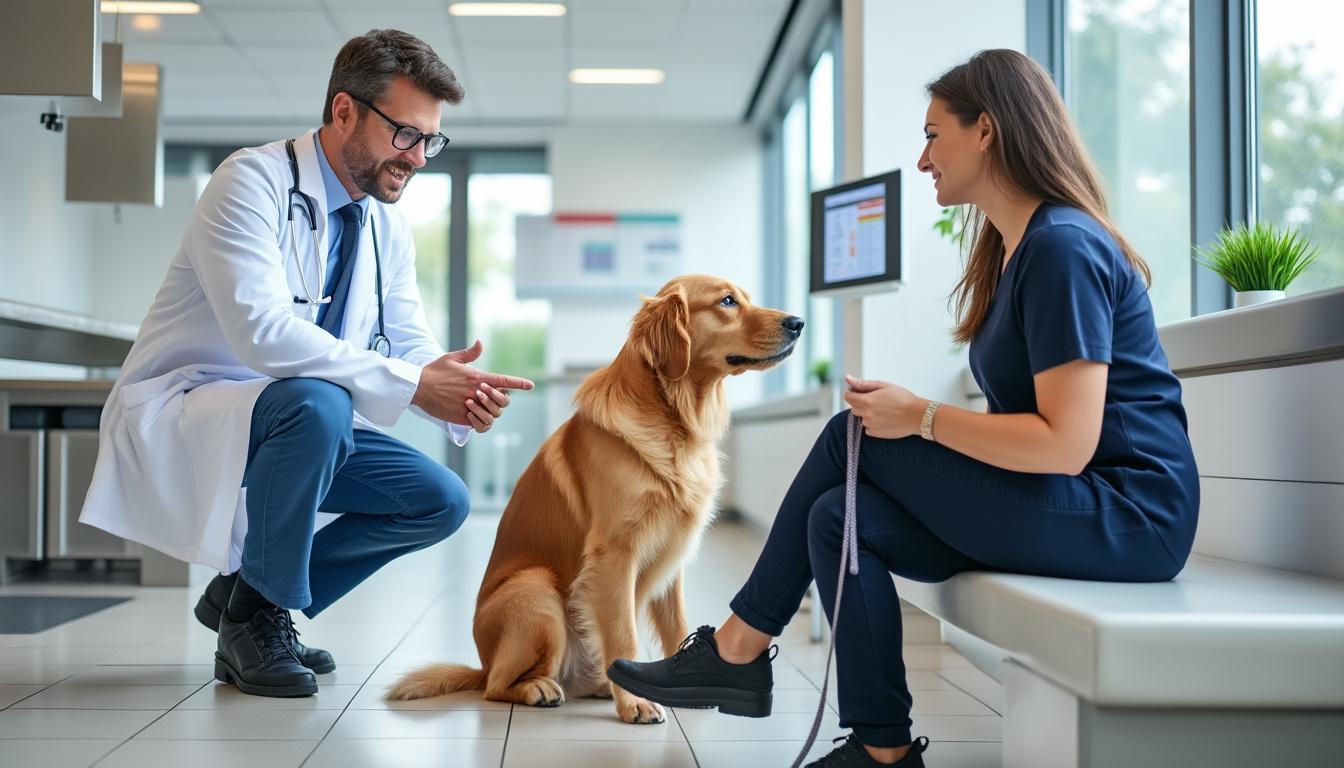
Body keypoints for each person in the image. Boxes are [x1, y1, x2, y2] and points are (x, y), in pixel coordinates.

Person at [606, 48, 1199, 767]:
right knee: (837, 518)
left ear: (986, 131)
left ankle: (738, 648)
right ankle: (881, 748)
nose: (923, 161)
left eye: (930, 135)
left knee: (848, 435)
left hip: (1128, 515)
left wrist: (918, 418)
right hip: (1068, 501)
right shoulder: (1014, 249)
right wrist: (914, 419)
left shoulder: (1063, 249)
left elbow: (1066, 445)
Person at [79, 29, 534, 698]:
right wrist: (413, 385)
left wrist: (456, 388)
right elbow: (262, 335)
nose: (418, 157)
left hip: (300, 421)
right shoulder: (251, 182)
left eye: (430, 140)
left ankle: (245, 596)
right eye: (405, 134)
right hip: (197, 403)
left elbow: (406, 339)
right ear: (345, 111)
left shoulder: (384, 224)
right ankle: (257, 620)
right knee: (320, 403)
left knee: (439, 500)